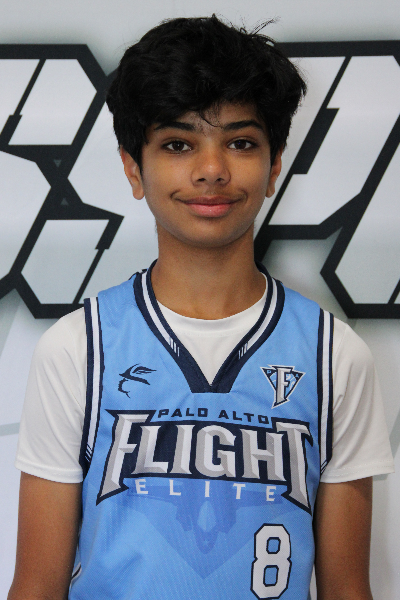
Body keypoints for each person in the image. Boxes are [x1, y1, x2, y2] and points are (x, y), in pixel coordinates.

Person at [8, 15, 394, 600]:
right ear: (133, 168)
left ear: (274, 166)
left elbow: (347, 590)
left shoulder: (335, 355)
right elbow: (36, 586)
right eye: (178, 144)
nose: (211, 170)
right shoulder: (78, 347)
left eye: (240, 142)